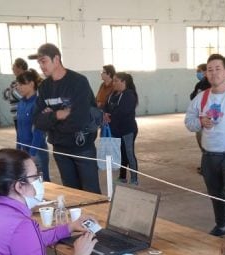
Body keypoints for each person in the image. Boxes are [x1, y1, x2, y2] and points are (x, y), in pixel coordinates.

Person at [185, 54, 225, 237]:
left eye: (218, 69)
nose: (213, 73)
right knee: (215, 194)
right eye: (209, 69)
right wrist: (200, 121)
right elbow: (189, 121)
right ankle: (220, 226)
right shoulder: (201, 97)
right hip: (208, 155)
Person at [31, 43, 101, 193]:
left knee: (91, 194)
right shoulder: (44, 87)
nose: (41, 67)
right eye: (39, 63)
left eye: (44, 61)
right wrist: (58, 114)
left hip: (82, 147)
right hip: (60, 149)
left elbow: (79, 121)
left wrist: (50, 119)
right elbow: (37, 121)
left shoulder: (78, 82)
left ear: (56, 59)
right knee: (72, 193)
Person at [103, 72, 139, 184]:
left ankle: (134, 178)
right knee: (121, 153)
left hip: (128, 129)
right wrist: (105, 114)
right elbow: (105, 106)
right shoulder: (112, 95)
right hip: (116, 130)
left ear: (123, 82)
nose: (113, 83)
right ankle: (122, 176)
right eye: (113, 80)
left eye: (116, 81)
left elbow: (123, 111)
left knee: (129, 153)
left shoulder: (129, 95)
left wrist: (111, 116)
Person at [15, 69, 50, 180]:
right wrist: (18, 148)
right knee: (27, 182)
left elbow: (38, 131)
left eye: (21, 84)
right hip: (24, 150)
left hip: (37, 151)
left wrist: (33, 153)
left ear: (31, 84)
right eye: (17, 84)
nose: (18, 87)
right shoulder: (21, 102)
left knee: (43, 183)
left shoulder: (38, 103)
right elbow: (19, 127)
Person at [4, 58, 28, 128]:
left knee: (26, 137)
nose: (12, 69)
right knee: (20, 138)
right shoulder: (14, 82)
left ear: (20, 67)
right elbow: (4, 94)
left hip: (25, 116)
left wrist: (10, 92)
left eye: (13, 67)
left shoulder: (26, 80)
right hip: (16, 116)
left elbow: (18, 95)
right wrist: (12, 92)